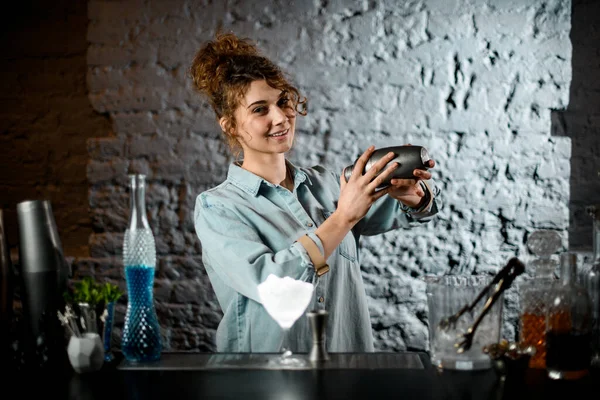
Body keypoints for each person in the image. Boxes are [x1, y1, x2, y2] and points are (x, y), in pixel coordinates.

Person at [190, 31, 442, 353]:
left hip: (347, 372)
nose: (280, 117)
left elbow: (409, 212)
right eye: (259, 110)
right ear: (230, 125)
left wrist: (411, 195)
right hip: (266, 379)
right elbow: (273, 284)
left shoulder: (328, 185)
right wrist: (342, 219)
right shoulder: (218, 208)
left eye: (283, 102)